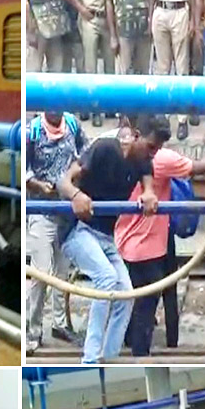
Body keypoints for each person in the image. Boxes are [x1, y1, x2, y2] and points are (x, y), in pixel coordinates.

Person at [57, 114, 164, 363]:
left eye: (157, 150)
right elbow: (64, 180)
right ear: (135, 135)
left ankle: (110, 356)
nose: (153, 154)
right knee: (106, 279)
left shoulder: (142, 160)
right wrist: (75, 195)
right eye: (151, 147)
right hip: (77, 230)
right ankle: (91, 358)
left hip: (105, 236)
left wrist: (148, 194)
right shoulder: (104, 148)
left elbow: (148, 183)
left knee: (126, 294)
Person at [116, 137, 205, 356]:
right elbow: (198, 168)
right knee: (150, 301)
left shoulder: (123, 154)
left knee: (136, 299)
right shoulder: (162, 158)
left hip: (130, 239)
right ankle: (145, 351)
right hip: (150, 242)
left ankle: (134, 344)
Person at [25, 111, 85, 354]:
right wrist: (38, 185)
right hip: (41, 210)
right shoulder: (33, 131)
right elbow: (25, 168)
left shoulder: (72, 124)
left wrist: (73, 179)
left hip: (65, 211)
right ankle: (33, 330)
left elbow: (85, 154)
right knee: (41, 273)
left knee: (62, 272)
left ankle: (60, 324)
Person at [149, 0, 198, 140]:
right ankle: (163, 118)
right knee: (161, 68)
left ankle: (182, 119)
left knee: (181, 67)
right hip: (160, 9)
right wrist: (151, 14)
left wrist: (193, 22)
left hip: (180, 10)